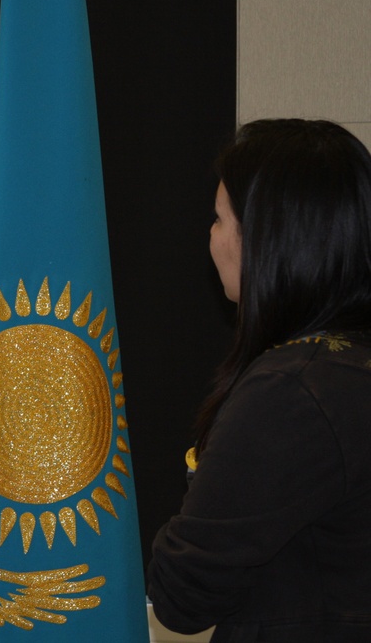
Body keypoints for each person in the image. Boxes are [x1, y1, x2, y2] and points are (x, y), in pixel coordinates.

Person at [147, 119, 371, 641]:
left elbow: (181, 593)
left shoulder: (290, 391)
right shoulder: (344, 371)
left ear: (269, 239)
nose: (212, 236)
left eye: (219, 218)